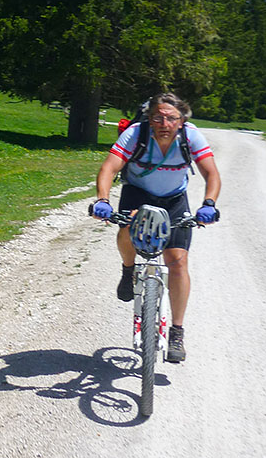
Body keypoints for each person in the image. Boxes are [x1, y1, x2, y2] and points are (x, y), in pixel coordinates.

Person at [91, 92, 221, 363]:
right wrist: (102, 200)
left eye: (171, 118)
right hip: (138, 193)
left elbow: (211, 173)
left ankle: (177, 332)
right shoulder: (136, 134)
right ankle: (128, 272)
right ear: (149, 119)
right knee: (126, 227)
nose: (164, 123)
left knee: (177, 262)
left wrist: (208, 204)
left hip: (174, 199)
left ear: (181, 120)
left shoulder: (191, 136)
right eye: (157, 117)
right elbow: (109, 168)